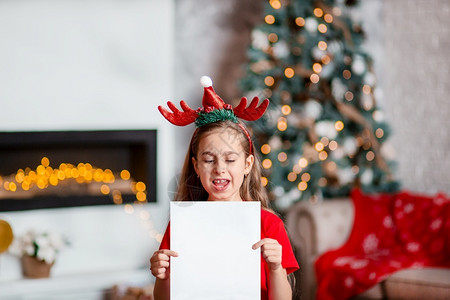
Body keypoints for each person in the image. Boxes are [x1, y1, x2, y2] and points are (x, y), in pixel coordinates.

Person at [150, 76, 299, 300]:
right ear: (196, 166)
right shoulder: (183, 226)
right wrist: (164, 276)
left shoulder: (269, 224)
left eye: (230, 160)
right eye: (209, 160)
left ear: (247, 165)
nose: (220, 169)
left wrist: (276, 268)